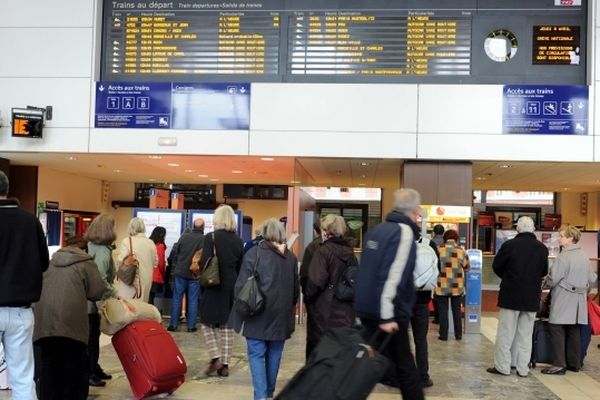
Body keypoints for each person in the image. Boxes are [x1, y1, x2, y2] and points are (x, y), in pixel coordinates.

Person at [354, 188, 424, 400]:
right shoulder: (403, 232)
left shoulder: (376, 231)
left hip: (367, 310)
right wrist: (386, 316)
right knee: (406, 368)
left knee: (366, 366)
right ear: (415, 209)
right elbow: (393, 275)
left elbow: (364, 272)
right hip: (388, 312)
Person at [229, 218, 299, 400]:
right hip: (281, 316)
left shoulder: (254, 253)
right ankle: (269, 394)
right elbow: (294, 292)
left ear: (265, 233)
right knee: (275, 354)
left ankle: (260, 396)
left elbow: (241, 286)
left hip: (257, 313)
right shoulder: (290, 257)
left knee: (257, 355)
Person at [33, 236, 106, 400]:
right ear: (84, 249)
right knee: (73, 366)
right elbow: (97, 291)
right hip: (72, 325)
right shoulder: (85, 262)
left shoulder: (49, 262)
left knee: (49, 365)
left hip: (44, 325)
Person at [0, 170, 49, 400]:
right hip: (21, 312)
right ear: (7, 190)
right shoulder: (31, 221)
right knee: (22, 378)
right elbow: (43, 263)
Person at [485, 216, 548, 377]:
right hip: (531, 296)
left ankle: (503, 367)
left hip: (510, 295)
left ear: (518, 229)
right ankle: (522, 369)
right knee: (525, 335)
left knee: (506, 333)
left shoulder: (509, 245)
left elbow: (497, 266)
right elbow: (544, 272)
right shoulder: (542, 248)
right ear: (533, 229)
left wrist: (508, 277)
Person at [541, 224, 597, 375]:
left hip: (563, 298)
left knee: (556, 328)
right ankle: (574, 363)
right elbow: (592, 278)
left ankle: (559, 364)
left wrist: (544, 284)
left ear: (570, 238)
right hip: (579, 301)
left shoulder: (564, 256)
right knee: (574, 330)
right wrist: (584, 289)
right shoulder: (584, 256)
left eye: (562, 236)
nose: (559, 239)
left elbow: (553, 279)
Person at [198, 205, 244, 377]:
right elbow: (241, 267)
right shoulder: (238, 241)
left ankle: (215, 356)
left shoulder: (211, 238)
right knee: (227, 325)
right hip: (230, 287)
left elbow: (204, 262)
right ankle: (225, 365)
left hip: (213, 283)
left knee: (206, 321)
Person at [304, 215, 357, 359]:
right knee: (340, 353)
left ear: (326, 231)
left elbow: (315, 282)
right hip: (346, 311)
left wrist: (308, 299)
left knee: (320, 352)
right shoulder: (350, 253)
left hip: (324, 311)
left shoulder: (323, 251)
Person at [85, 213, 119, 387]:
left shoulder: (90, 245)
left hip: (84, 301)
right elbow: (101, 279)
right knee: (92, 338)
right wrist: (115, 293)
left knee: (91, 336)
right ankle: (90, 371)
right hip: (92, 303)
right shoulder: (104, 252)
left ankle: (93, 367)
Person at [411, 233, 439, 388]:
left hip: (402, 299)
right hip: (422, 300)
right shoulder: (430, 243)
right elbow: (437, 270)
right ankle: (423, 376)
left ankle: (399, 375)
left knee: (399, 340)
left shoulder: (398, 241)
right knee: (420, 339)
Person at [168, 218, 205, 332]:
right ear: (203, 227)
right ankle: (191, 326)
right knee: (193, 300)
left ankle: (173, 325)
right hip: (194, 274)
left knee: (177, 298)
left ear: (193, 226)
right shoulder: (204, 239)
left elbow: (177, 252)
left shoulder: (184, 237)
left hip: (180, 272)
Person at [434, 229, 469, 341]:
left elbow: (433, 266)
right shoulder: (461, 250)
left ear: (445, 238)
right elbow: (467, 266)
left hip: (441, 285)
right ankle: (458, 335)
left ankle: (443, 335)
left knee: (443, 311)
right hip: (456, 286)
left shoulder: (439, 249)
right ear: (456, 238)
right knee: (457, 311)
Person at [116, 217, 158, 302]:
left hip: (130, 279)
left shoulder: (127, 241)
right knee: (142, 308)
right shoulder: (150, 242)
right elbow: (155, 262)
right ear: (143, 227)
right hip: (146, 281)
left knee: (129, 307)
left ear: (130, 228)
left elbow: (120, 260)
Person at [299, 222, 321, 291]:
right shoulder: (342, 247)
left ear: (314, 231)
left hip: (314, 291)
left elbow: (304, 273)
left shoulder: (311, 246)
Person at [148, 226, 167, 306]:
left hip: (147, 274)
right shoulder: (160, 246)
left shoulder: (149, 243)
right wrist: (163, 274)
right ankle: (150, 315)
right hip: (155, 275)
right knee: (151, 298)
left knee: (148, 296)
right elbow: (161, 264)